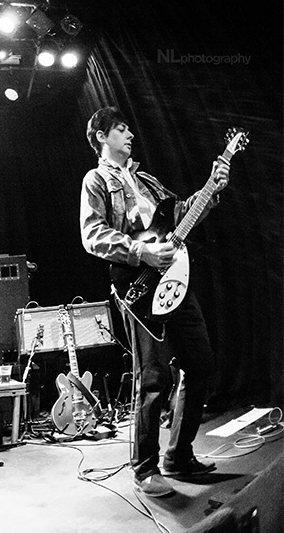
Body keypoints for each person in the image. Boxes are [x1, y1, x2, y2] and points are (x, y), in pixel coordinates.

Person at [79, 107, 230, 497]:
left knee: (201, 364)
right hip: (138, 284)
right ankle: (145, 467)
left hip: (176, 280)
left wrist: (211, 190)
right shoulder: (96, 180)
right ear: (101, 136)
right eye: (121, 129)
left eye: (129, 128)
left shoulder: (145, 178)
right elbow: (92, 234)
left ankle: (178, 456)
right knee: (153, 378)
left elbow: (180, 214)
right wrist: (140, 253)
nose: (130, 134)